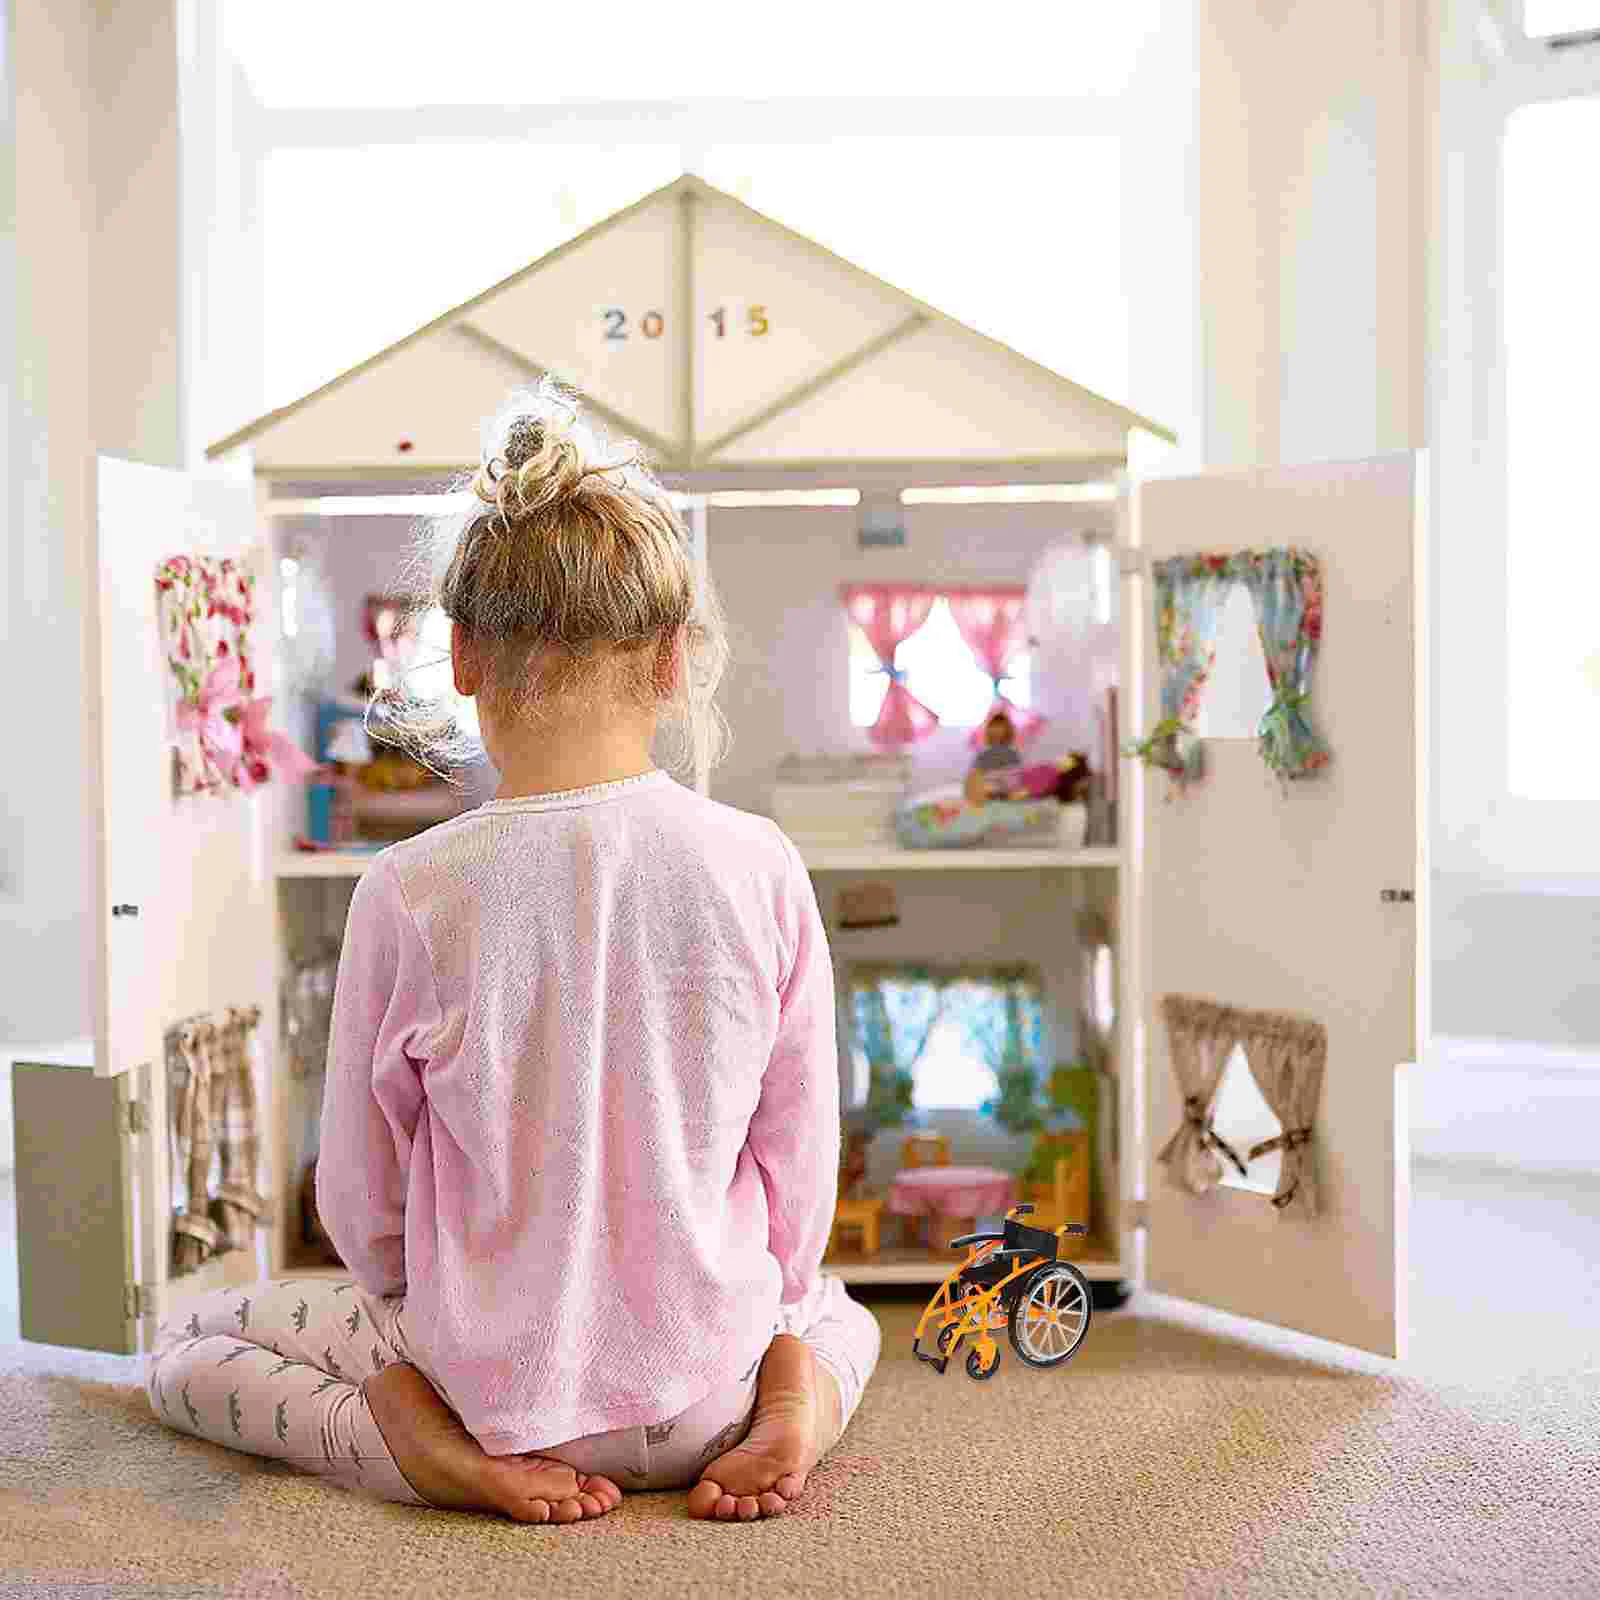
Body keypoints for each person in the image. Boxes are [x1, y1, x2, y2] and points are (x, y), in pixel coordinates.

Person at [144, 383, 880, 1526]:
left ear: (465, 656)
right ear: (675, 659)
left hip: (485, 1392)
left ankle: (410, 1440)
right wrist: (764, 1308)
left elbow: (359, 1199)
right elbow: (799, 1171)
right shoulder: (760, 862)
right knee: (838, 1312)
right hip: (709, 1395)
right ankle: (793, 1407)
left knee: (188, 1341)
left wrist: (405, 1301)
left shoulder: (409, 888)